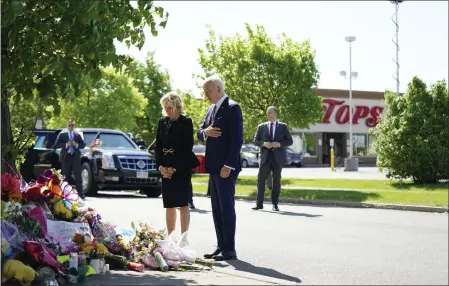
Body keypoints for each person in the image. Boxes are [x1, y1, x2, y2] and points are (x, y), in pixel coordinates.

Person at [197, 75, 243, 261]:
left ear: (218, 88)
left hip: (226, 167)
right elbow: (200, 132)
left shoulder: (233, 108)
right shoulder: (210, 109)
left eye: (207, 91)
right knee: (216, 208)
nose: (205, 95)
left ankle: (229, 249)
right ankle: (220, 246)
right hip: (213, 167)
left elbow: (237, 140)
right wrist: (205, 133)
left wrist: (228, 165)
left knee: (226, 207)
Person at [155, 91, 200, 236]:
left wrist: (174, 168)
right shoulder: (162, 122)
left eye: (170, 107)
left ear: (177, 107)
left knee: (182, 203)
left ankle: (183, 237)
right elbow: (158, 146)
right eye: (165, 108)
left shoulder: (186, 122)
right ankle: (170, 236)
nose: (167, 110)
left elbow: (187, 148)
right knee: (169, 203)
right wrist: (161, 166)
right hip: (165, 166)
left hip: (181, 166)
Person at [252, 106, 293, 211]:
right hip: (265, 158)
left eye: (271, 113)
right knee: (260, 181)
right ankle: (259, 204)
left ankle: (275, 204)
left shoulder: (283, 127)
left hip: (277, 158)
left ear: (275, 114)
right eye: (267, 113)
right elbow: (255, 141)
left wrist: (279, 144)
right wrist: (264, 143)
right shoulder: (261, 127)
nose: (269, 115)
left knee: (276, 182)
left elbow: (289, 141)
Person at [52, 119, 87, 198]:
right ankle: (65, 193)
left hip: (75, 157)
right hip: (66, 157)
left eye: (72, 125)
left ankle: (80, 194)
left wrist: (76, 144)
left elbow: (83, 145)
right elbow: (56, 145)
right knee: (65, 175)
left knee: (78, 175)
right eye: (69, 125)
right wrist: (66, 145)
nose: (71, 127)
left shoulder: (77, 135)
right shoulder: (62, 135)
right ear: (67, 126)